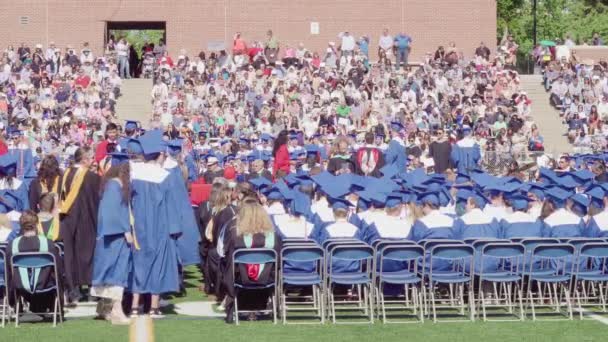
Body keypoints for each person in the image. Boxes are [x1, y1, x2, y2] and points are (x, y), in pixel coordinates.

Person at [128, 130, 180, 318]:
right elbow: (171, 206)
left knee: (138, 263)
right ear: (159, 154)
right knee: (158, 264)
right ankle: (154, 307)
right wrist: (175, 230)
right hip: (159, 226)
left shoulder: (133, 174)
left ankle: (135, 306)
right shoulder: (164, 176)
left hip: (138, 226)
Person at [223, 199, 282, 323]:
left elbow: (228, 261)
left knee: (229, 266)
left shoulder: (236, 236)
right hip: (267, 280)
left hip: (241, 280)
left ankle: (233, 304)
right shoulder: (273, 236)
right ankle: (262, 305)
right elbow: (278, 262)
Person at [90, 163, 132, 325]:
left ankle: (103, 309)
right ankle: (116, 312)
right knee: (116, 273)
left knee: (111, 272)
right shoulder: (114, 187)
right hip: (115, 238)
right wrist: (125, 229)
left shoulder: (112, 185)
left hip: (112, 238)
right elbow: (112, 212)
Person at [59, 146, 101, 302]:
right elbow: (96, 201)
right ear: (84, 160)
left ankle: (73, 291)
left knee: (70, 255)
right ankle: (91, 290)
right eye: (91, 158)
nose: (93, 160)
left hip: (67, 220)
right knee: (88, 253)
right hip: (86, 219)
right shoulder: (92, 177)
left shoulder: (65, 175)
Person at [6, 210, 64, 317]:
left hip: (20, 287)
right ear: (37, 224)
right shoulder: (48, 244)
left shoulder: (12, 245)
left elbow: (9, 273)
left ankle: (18, 306)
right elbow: (59, 271)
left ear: (20, 225)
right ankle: (53, 308)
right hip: (45, 286)